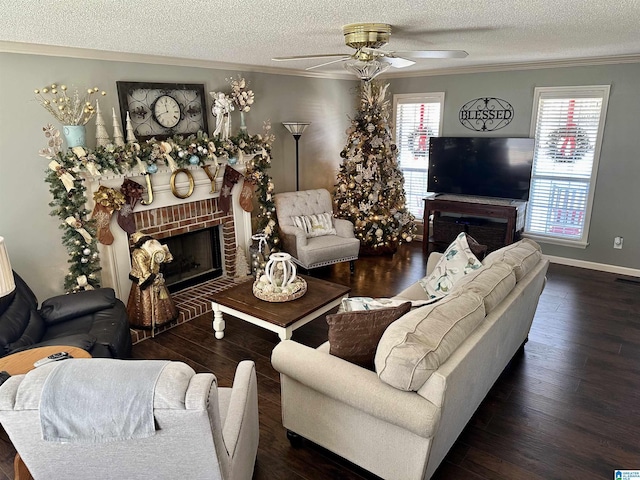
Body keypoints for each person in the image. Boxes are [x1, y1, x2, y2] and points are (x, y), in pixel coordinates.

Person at [127, 232, 178, 330]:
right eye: (146, 241)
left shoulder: (152, 249)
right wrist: (151, 277)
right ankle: (147, 321)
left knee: (161, 297)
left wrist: (165, 252)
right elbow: (143, 269)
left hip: (156, 276)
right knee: (145, 300)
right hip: (144, 279)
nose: (150, 242)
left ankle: (162, 318)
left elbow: (166, 258)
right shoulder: (138, 254)